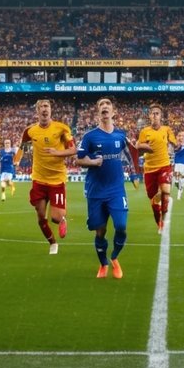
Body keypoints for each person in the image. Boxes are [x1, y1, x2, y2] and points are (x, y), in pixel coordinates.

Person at [75, 98, 139, 278]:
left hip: (116, 190)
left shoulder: (120, 135)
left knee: (121, 226)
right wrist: (93, 161)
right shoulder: (90, 136)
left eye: (107, 105)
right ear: (98, 112)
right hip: (96, 191)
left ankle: (115, 258)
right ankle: (103, 264)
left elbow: (130, 155)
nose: (104, 107)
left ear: (113, 112)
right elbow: (78, 159)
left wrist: (134, 175)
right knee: (100, 231)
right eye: (101, 106)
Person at [19, 99, 76, 253]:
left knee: (55, 218)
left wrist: (57, 152)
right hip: (39, 179)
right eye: (41, 107)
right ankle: (52, 242)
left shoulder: (61, 128)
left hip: (57, 180)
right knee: (40, 216)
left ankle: (62, 219)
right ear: (37, 111)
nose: (44, 109)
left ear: (50, 110)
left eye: (47, 106)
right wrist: (16, 160)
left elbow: (73, 150)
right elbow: (22, 147)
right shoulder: (30, 131)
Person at [135, 103, 177, 234]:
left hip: (164, 165)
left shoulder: (167, 129)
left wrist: (173, 145)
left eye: (157, 113)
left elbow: (174, 143)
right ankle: (159, 222)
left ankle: (164, 213)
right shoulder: (144, 131)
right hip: (149, 169)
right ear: (150, 116)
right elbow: (138, 146)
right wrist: (142, 147)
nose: (155, 115)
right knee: (153, 201)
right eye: (152, 113)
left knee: (165, 190)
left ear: (160, 116)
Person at [172, 135, 184, 200]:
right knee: (176, 178)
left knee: (181, 178)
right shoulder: (175, 144)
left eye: (182, 136)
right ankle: (178, 185)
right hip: (177, 162)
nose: (181, 137)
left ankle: (180, 192)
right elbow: (175, 150)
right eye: (180, 136)